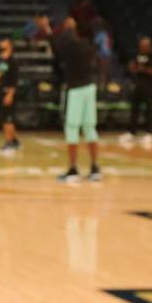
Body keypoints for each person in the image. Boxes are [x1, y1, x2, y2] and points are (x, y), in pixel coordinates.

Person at [52, 17, 102, 182]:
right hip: (90, 88)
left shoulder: (72, 45)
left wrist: (61, 29)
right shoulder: (90, 46)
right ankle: (95, 168)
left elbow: (57, 49)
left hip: (76, 90)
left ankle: (73, 169)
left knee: (72, 128)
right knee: (90, 127)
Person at [119, 36, 152, 149]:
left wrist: (145, 70)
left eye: (145, 45)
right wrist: (133, 68)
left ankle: (149, 133)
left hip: (150, 87)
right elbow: (132, 67)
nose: (143, 47)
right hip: (138, 86)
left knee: (149, 110)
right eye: (141, 45)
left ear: (149, 46)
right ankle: (131, 132)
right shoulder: (137, 55)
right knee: (135, 110)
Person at [0, 38, 20, 155]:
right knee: (4, 117)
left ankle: (9, 142)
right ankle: (15, 141)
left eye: (4, 44)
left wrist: (10, 94)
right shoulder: (2, 61)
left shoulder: (13, 61)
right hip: (1, 92)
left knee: (8, 119)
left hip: (7, 92)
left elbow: (14, 80)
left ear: (10, 46)